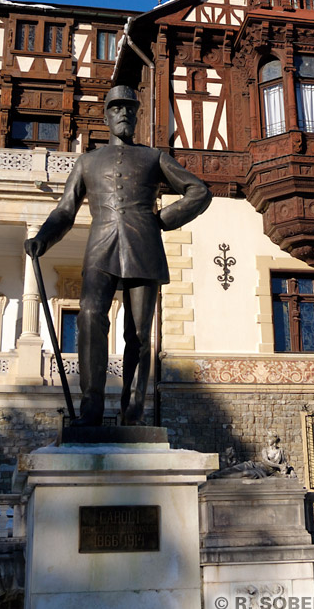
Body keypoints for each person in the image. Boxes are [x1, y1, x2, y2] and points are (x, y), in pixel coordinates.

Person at [25, 85, 211, 426]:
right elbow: (65, 210)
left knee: (138, 336)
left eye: (129, 108)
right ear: (107, 115)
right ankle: (91, 404)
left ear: (137, 116)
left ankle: (133, 409)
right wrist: (42, 239)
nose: (123, 113)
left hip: (144, 245)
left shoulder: (154, 158)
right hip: (101, 245)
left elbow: (199, 190)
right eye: (116, 108)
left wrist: (164, 219)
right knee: (89, 314)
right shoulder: (87, 161)